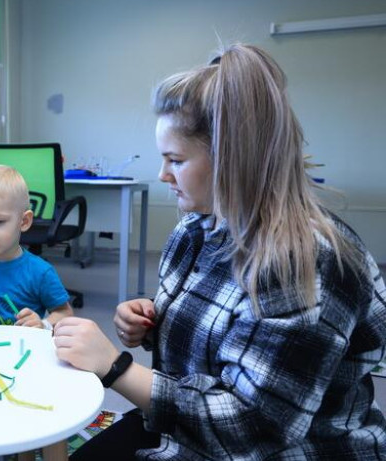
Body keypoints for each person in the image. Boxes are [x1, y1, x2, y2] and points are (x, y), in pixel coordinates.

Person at [54, 44, 386, 459]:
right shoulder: (196, 227)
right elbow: (226, 330)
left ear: (231, 158)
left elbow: (251, 428)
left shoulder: (303, 262)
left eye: (175, 160)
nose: (162, 174)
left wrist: (115, 367)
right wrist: (152, 321)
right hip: (187, 427)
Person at [0, 165, 74, 329]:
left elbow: (65, 312)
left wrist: (43, 324)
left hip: (20, 344)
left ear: (24, 221)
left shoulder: (40, 272)